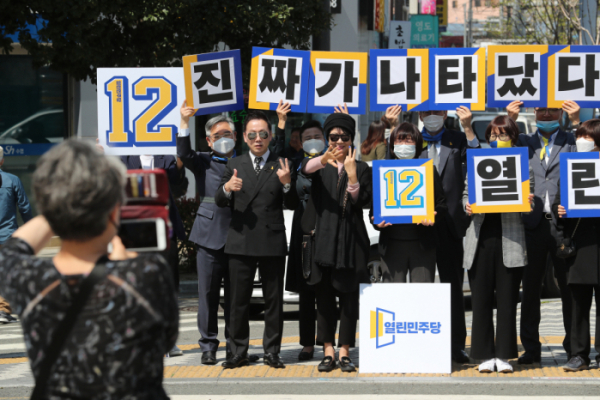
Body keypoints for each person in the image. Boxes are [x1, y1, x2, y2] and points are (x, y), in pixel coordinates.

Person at [0, 139, 178, 398]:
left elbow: (13, 249)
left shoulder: (28, 279)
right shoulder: (146, 274)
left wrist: (59, 204)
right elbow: (167, 340)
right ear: (114, 208)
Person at [177, 100, 259, 365]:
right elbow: (184, 152)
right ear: (209, 142)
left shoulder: (249, 161)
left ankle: (236, 348)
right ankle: (208, 346)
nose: (223, 139)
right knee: (208, 295)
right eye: (217, 136)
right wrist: (184, 122)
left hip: (241, 236)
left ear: (236, 137)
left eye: (228, 134)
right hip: (209, 237)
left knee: (237, 297)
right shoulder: (202, 162)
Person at [215, 110, 299, 369]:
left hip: (271, 238)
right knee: (238, 301)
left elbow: (294, 202)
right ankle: (237, 351)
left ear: (270, 135)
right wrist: (227, 189)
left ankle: (272, 352)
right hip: (240, 239)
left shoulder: (282, 163)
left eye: (263, 134)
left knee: (274, 301)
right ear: (244, 137)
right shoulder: (234, 163)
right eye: (252, 134)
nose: (258, 139)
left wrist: (286, 184)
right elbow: (219, 201)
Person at [509, 100, 580, 364]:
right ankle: (531, 348)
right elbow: (501, 152)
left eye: (552, 109)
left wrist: (576, 122)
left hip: (565, 225)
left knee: (569, 289)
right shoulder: (524, 141)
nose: (546, 114)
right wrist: (511, 119)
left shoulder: (572, 140)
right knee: (530, 290)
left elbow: (589, 157)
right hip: (531, 225)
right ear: (534, 112)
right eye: (541, 110)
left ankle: (574, 348)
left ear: (560, 112)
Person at [301, 113, 372, 373]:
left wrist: (353, 177)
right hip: (323, 242)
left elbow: (361, 201)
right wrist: (323, 158)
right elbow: (303, 170)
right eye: (333, 137)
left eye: (345, 137)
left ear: (352, 139)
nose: (339, 141)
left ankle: (345, 352)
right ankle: (327, 350)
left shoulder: (362, 168)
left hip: (352, 243)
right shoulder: (319, 165)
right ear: (326, 139)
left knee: (349, 299)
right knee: (324, 298)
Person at [463, 116, 534, 373]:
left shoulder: (522, 165)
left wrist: (528, 199)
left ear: (513, 138)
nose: (497, 140)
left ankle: (504, 355)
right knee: (480, 300)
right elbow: (465, 193)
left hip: (510, 240)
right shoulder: (479, 161)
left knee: (507, 302)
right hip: (480, 240)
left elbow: (529, 204)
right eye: (493, 135)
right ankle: (483, 355)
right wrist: (467, 205)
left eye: (503, 135)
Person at [418, 106, 480, 363]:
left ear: (445, 113)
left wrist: (468, 127)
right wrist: (390, 127)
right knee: (420, 284)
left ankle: (456, 345)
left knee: (453, 286)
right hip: (418, 223)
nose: (432, 115)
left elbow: (477, 164)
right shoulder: (410, 138)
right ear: (420, 115)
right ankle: (420, 343)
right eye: (427, 111)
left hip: (451, 223)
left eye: (438, 110)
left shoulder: (457, 138)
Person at [119, 145, 186, 358]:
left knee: (167, 284)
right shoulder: (122, 157)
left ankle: (168, 339)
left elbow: (179, 185)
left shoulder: (166, 157)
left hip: (165, 230)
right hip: (133, 232)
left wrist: (181, 160)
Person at [371, 122, 447, 283]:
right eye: (399, 140)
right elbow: (374, 209)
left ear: (417, 144)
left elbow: (441, 204)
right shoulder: (383, 171)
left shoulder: (428, 170)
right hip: (391, 245)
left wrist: (434, 216)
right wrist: (377, 223)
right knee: (392, 300)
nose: (403, 145)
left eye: (408, 140)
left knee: (421, 298)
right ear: (392, 145)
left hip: (422, 245)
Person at [554, 119, 600, 371]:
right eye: (579, 135)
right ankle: (579, 354)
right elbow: (558, 202)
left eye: (586, 136)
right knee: (578, 303)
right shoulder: (571, 168)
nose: (580, 140)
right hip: (579, 245)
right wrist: (559, 210)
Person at [284, 120, 327, 361]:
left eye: (316, 136)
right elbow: (289, 201)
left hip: (329, 227)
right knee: (307, 291)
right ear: (300, 143)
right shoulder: (295, 165)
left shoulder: (334, 162)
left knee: (327, 289)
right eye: (307, 137)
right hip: (304, 229)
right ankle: (307, 344)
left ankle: (328, 340)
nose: (312, 140)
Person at [0, 145, 33, 324]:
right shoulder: (12, 180)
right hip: (8, 234)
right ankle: (3, 310)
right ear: (2, 161)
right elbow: (25, 208)